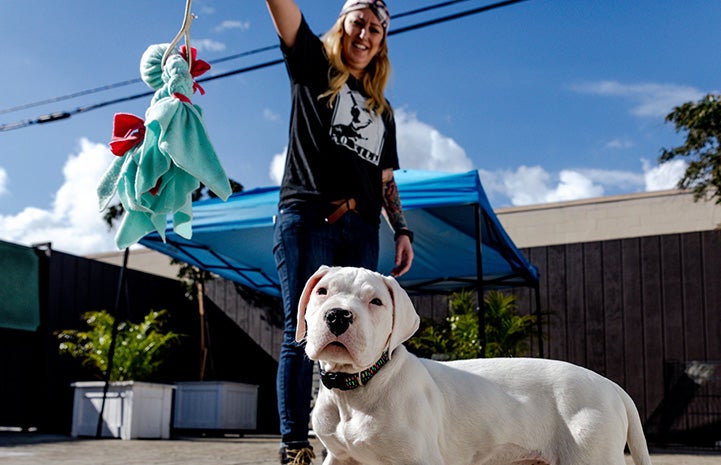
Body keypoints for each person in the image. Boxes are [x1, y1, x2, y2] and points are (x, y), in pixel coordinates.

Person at [264, 1, 414, 463]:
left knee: (357, 336)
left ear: (382, 40)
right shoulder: (314, 66)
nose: (365, 34)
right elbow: (284, 13)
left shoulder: (381, 111)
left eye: (375, 29)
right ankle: (295, 446)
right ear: (343, 25)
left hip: (362, 230)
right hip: (309, 219)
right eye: (358, 23)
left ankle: (354, 443)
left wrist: (402, 230)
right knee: (300, 331)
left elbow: (385, 180)